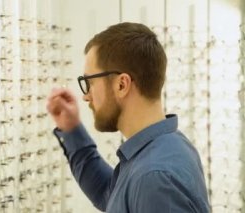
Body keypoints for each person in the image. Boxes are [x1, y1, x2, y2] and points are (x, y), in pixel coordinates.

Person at [46, 22, 210, 213]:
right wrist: (71, 128)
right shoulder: (166, 146)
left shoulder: (153, 178)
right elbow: (110, 194)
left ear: (122, 85)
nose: (86, 95)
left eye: (89, 82)